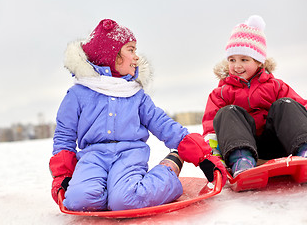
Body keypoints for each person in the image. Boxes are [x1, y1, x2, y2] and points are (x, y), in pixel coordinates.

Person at [49, 19, 227, 212]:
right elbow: (64, 137)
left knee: (124, 201)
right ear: (112, 55)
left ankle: (169, 169)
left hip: (129, 155)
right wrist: (63, 176)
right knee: (78, 201)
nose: (136, 57)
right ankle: (111, 191)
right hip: (93, 158)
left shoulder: (135, 95)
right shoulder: (78, 94)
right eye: (131, 50)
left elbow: (164, 125)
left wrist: (203, 157)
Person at [202, 15, 307, 177]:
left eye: (244, 59)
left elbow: (301, 110)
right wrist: (214, 154)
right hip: (240, 146)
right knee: (227, 112)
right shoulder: (220, 93)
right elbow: (210, 128)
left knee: (286, 104)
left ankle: (304, 149)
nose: (237, 66)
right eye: (232, 59)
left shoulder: (276, 86)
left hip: (279, 144)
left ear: (259, 62)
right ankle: (241, 161)